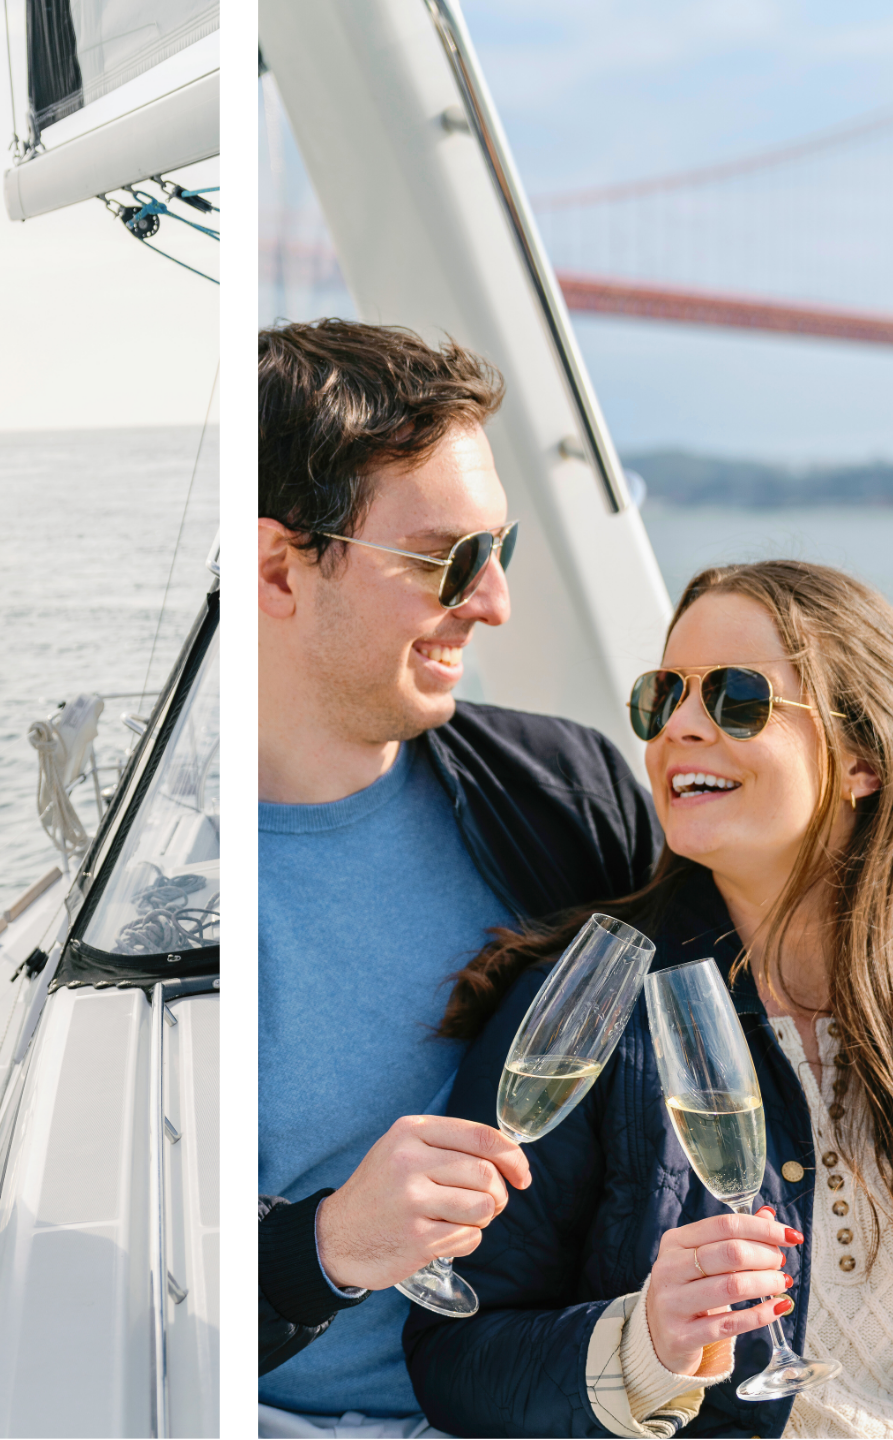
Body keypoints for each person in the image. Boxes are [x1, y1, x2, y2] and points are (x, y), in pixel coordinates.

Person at [408, 560, 893, 1439]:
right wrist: (642, 1341)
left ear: (863, 761)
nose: (679, 728)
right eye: (664, 697)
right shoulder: (588, 1008)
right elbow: (457, 1357)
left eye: (734, 698)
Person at [257, 319, 661, 1436]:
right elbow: (147, 1284)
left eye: (501, 552)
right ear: (279, 568)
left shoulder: (569, 791)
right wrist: (330, 1246)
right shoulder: (179, 897)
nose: (493, 603)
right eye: (448, 560)